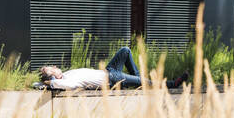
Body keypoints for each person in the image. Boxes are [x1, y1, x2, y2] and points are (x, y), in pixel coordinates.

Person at [39, 47, 188, 90]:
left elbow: (36, 83)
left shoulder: (66, 74)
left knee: (125, 50)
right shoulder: (67, 81)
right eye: (52, 69)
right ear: (54, 78)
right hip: (112, 79)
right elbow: (64, 85)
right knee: (143, 80)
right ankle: (172, 84)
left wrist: (43, 81)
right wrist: (49, 81)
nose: (55, 67)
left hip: (109, 71)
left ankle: (138, 82)